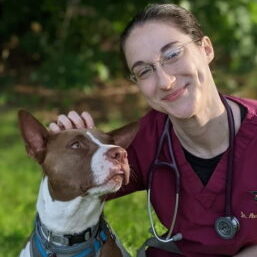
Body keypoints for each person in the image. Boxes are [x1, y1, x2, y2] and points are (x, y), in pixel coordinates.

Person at [49, 3, 257, 257]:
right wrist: (71, 152)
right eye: (144, 70)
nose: (166, 82)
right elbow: (65, 198)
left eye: (172, 55)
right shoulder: (148, 139)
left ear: (206, 49)